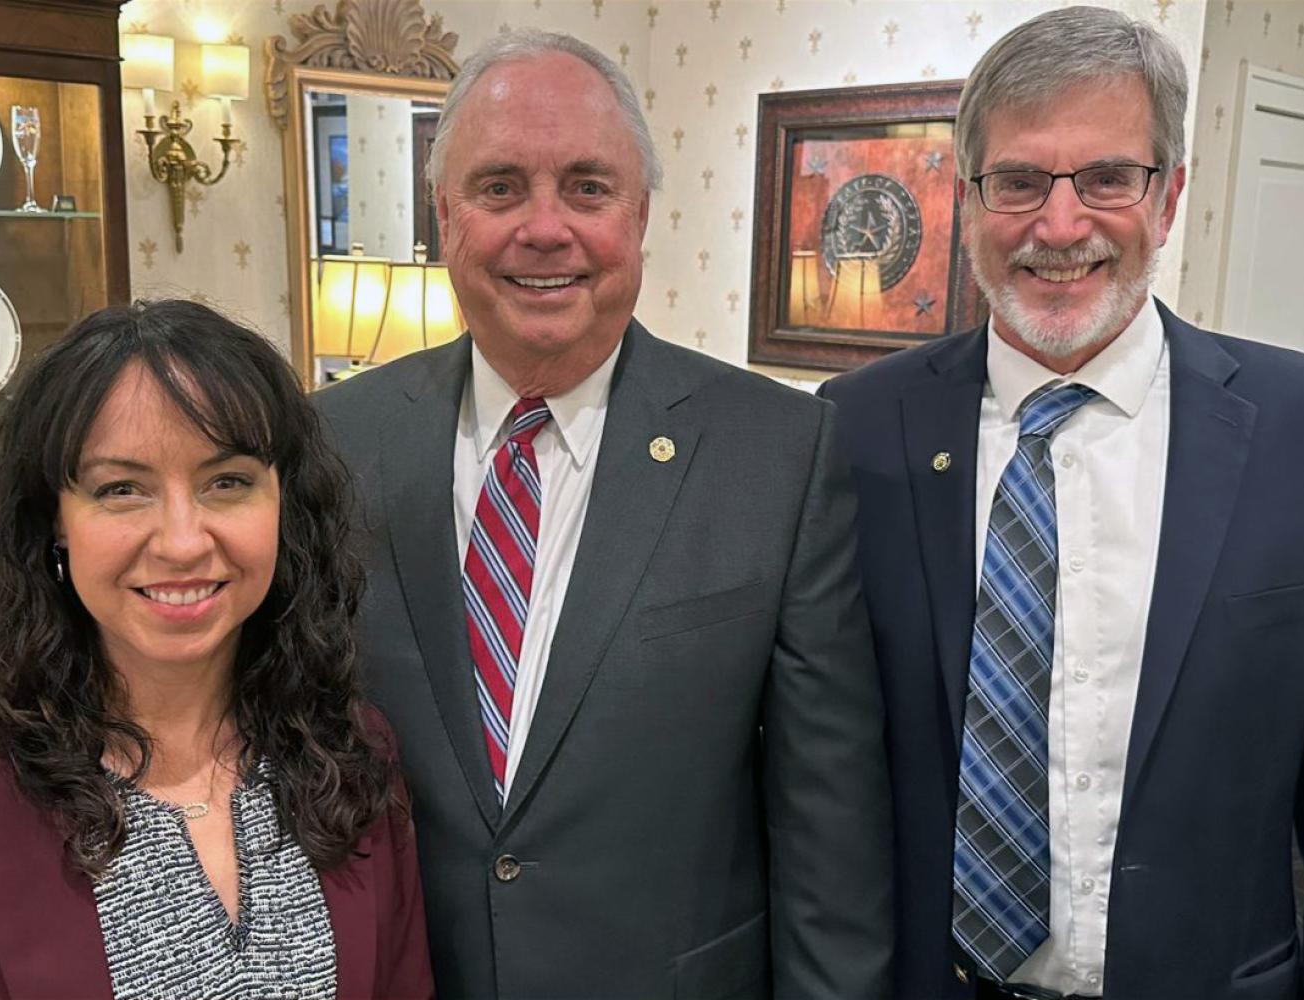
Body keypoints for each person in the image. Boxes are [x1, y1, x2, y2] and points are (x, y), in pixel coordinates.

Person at [821, 7, 1304, 1000]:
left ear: (1168, 195)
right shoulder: (852, 429)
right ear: (968, 201)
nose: (1059, 226)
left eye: (1106, 178)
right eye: (1016, 182)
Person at [315, 29, 894, 1000]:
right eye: (499, 187)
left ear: (640, 215)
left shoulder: (780, 453)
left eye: (587, 187)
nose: (545, 228)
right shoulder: (326, 443)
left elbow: (828, 826)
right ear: (444, 214)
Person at [0, 300, 433, 1000]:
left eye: (226, 482)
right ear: (53, 521)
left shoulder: (349, 757)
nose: (181, 541)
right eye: (121, 489)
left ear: (284, 504)